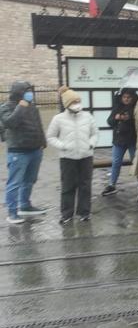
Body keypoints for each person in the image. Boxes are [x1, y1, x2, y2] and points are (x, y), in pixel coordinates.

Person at [46, 87, 97, 224]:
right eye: (74, 102)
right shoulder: (58, 119)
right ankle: (66, 214)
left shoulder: (88, 117)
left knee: (85, 185)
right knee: (68, 186)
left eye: (78, 101)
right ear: (67, 104)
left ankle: (84, 212)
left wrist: (91, 144)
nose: (77, 104)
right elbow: (50, 137)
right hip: (67, 158)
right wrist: (63, 146)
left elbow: (95, 133)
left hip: (86, 156)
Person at [0, 81, 48, 224]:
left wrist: (42, 141)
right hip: (18, 152)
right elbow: (10, 123)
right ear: (19, 93)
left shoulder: (33, 107)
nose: (30, 93)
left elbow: (38, 125)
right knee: (14, 183)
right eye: (27, 91)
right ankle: (12, 213)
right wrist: (21, 107)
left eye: (30, 90)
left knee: (30, 180)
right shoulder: (6, 107)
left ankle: (25, 206)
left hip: (35, 149)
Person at [102, 90, 138, 196]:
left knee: (135, 161)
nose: (126, 99)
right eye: (124, 97)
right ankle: (112, 184)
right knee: (116, 162)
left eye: (128, 97)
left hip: (132, 139)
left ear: (133, 98)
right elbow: (109, 121)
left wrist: (129, 118)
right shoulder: (117, 107)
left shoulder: (136, 108)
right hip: (119, 140)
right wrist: (116, 118)